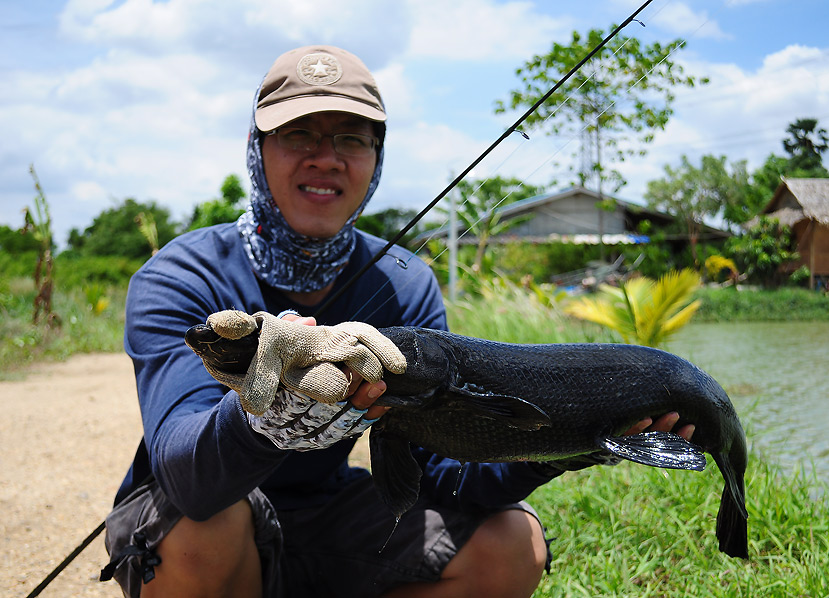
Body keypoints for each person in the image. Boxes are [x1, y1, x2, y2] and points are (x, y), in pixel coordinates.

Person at [102, 45, 694, 598]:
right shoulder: (180, 276)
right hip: (204, 514)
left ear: (375, 160)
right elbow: (189, 482)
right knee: (205, 528)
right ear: (257, 150)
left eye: (351, 139)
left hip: (328, 510)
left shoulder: (405, 283)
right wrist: (265, 415)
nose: (326, 157)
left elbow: (444, 476)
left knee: (512, 545)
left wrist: (578, 444)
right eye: (296, 134)